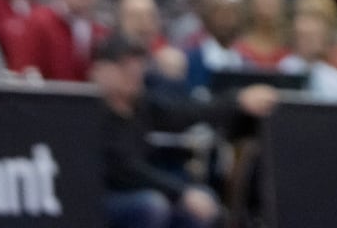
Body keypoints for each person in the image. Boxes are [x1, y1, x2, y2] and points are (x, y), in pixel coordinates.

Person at [92, 32, 277, 228]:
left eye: (138, 65)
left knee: (202, 203)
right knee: (153, 205)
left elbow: (187, 112)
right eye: (125, 66)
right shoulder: (91, 113)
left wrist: (238, 100)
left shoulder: (141, 107)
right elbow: (123, 169)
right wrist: (181, 192)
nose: (134, 72)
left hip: (143, 190)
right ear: (101, 70)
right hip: (104, 195)